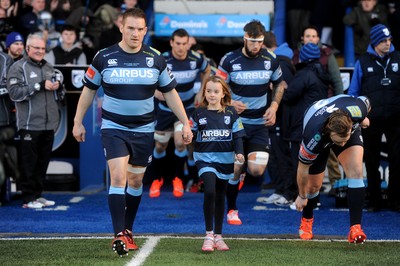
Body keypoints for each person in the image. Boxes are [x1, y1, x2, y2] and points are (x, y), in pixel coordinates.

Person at [72, 8, 193, 257]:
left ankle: (128, 229)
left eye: (140, 29)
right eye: (131, 28)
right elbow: (88, 90)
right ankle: (118, 234)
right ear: (121, 27)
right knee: (118, 177)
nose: (135, 33)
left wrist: (186, 122)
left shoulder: (157, 58)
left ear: (145, 31)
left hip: (144, 130)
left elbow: (170, 93)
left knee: (136, 181)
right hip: (114, 128)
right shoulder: (103, 57)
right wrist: (77, 121)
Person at [216, 20, 285, 225]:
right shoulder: (229, 60)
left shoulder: (270, 58)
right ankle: (232, 210)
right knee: (235, 168)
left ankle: (244, 168)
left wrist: (274, 107)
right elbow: (215, 87)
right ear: (245, 38)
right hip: (235, 124)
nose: (256, 46)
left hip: (259, 125)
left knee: (256, 170)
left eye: (260, 42)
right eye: (253, 41)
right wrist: (229, 102)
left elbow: (280, 83)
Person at [294, 94, 371, 243]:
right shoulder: (313, 137)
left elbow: (366, 101)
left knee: (356, 172)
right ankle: (307, 219)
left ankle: (356, 227)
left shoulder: (358, 110)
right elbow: (302, 169)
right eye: (338, 141)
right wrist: (302, 196)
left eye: (345, 140)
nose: (342, 145)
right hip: (317, 125)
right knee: (313, 187)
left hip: (346, 118)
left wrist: (362, 119)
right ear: (330, 133)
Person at [149, 28, 210, 198]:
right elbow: (148, 77)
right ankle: (157, 179)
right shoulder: (162, 59)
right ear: (171, 43)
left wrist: (201, 91)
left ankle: (178, 179)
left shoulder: (196, 58)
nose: (181, 48)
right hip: (165, 109)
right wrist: (155, 91)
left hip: (187, 108)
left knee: (181, 142)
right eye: (178, 44)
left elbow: (207, 70)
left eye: (184, 44)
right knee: (160, 144)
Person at [348, 24, 400, 212]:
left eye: (389, 40)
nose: (388, 43)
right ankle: (375, 200)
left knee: (397, 159)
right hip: (371, 120)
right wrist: (358, 117)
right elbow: (353, 92)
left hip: (396, 118)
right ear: (375, 42)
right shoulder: (362, 62)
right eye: (384, 41)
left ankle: (396, 200)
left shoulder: (398, 58)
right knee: (371, 160)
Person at [190, 75, 245, 252]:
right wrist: (186, 135)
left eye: (216, 91)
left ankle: (219, 236)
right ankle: (208, 234)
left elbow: (237, 136)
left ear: (223, 94)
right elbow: (190, 133)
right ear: (204, 93)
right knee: (210, 191)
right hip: (204, 158)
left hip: (225, 159)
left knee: (221, 194)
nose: (212, 94)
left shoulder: (231, 113)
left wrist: (239, 152)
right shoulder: (198, 113)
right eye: (209, 91)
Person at [7, 33, 61, 209]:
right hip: (29, 124)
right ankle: (28, 198)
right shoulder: (18, 67)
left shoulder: (49, 67)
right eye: (36, 48)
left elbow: (58, 94)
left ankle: (38, 195)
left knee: (42, 163)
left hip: (48, 124)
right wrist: (38, 85)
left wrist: (59, 86)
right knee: (29, 164)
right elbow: (14, 93)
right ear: (27, 48)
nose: (40, 51)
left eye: (43, 48)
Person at [292, 25, 344, 197]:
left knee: (328, 149)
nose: (311, 39)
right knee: (306, 149)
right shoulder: (296, 55)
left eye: (314, 36)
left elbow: (337, 82)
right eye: (308, 36)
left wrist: (338, 107)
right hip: (303, 109)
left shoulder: (327, 55)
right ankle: (306, 189)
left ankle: (336, 184)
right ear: (302, 39)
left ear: (318, 39)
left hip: (326, 107)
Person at [260, 31, 296, 206]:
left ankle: (289, 193)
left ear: (264, 47)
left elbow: (285, 91)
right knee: (274, 156)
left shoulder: (282, 63)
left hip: (281, 118)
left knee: (282, 156)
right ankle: (280, 189)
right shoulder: (276, 61)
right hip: (272, 118)